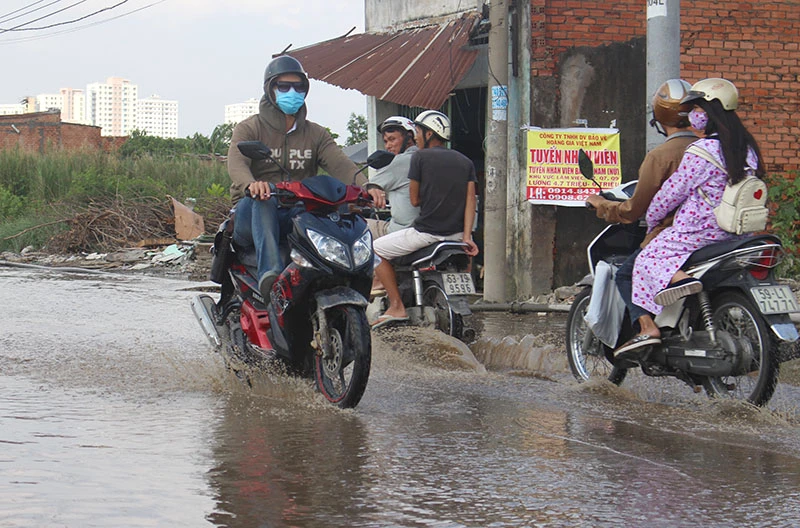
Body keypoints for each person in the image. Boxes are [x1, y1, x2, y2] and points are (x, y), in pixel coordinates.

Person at [617, 78, 766, 358]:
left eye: (697, 109)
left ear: (709, 113)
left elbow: (670, 194)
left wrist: (652, 218)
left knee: (646, 258)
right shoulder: (747, 149)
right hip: (737, 232)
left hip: (697, 233)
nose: (693, 116)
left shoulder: (701, 152)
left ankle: (673, 288)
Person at [227, 55, 383, 301]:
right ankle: (271, 274)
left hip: (296, 210)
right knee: (264, 197)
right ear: (270, 89)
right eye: (284, 86)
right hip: (252, 210)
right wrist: (251, 185)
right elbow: (236, 163)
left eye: (299, 87)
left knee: (337, 207)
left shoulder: (316, 134)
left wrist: (367, 186)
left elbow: (340, 164)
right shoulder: (250, 128)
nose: (292, 92)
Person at [585, 79, 698, 358]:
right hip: (715, 232)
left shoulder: (660, 156)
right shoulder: (710, 149)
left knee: (626, 274)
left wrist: (602, 204)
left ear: (659, 117)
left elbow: (636, 209)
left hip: (674, 235)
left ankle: (647, 327)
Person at [370, 110, 479, 328]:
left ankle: (397, 306)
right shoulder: (465, 161)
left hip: (427, 232)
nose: (416, 137)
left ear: (429, 133)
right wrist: (467, 236)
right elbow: (470, 202)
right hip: (457, 235)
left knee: (375, 250)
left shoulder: (419, 157)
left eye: (418, 132)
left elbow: (414, 199)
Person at [365, 116, 420, 238]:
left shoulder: (403, 160)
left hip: (400, 230)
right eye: (386, 141)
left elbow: (365, 189)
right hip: (422, 228)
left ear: (409, 137)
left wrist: (370, 188)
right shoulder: (425, 157)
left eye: (392, 139)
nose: (388, 146)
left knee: (356, 225)